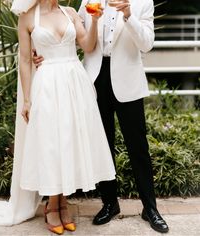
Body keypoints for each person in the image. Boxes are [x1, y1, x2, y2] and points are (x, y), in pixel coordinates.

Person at [0, 0, 116, 234]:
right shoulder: (27, 18)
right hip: (46, 85)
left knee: (69, 142)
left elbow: (87, 45)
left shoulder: (70, 13)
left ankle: (62, 202)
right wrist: (26, 99)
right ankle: (53, 206)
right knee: (52, 144)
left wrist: (94, 21)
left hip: (74, 83)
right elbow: (25, 60)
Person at [33, 0, 169, 233]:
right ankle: (109, 203)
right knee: (101, 144)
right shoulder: (89, 0)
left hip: (128, 82)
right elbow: (73, 33)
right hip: (93, 81)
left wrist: (128, 15)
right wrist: (42, 54)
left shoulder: (143, 2)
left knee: (138, 147)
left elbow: (146, 44)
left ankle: (150, 208)